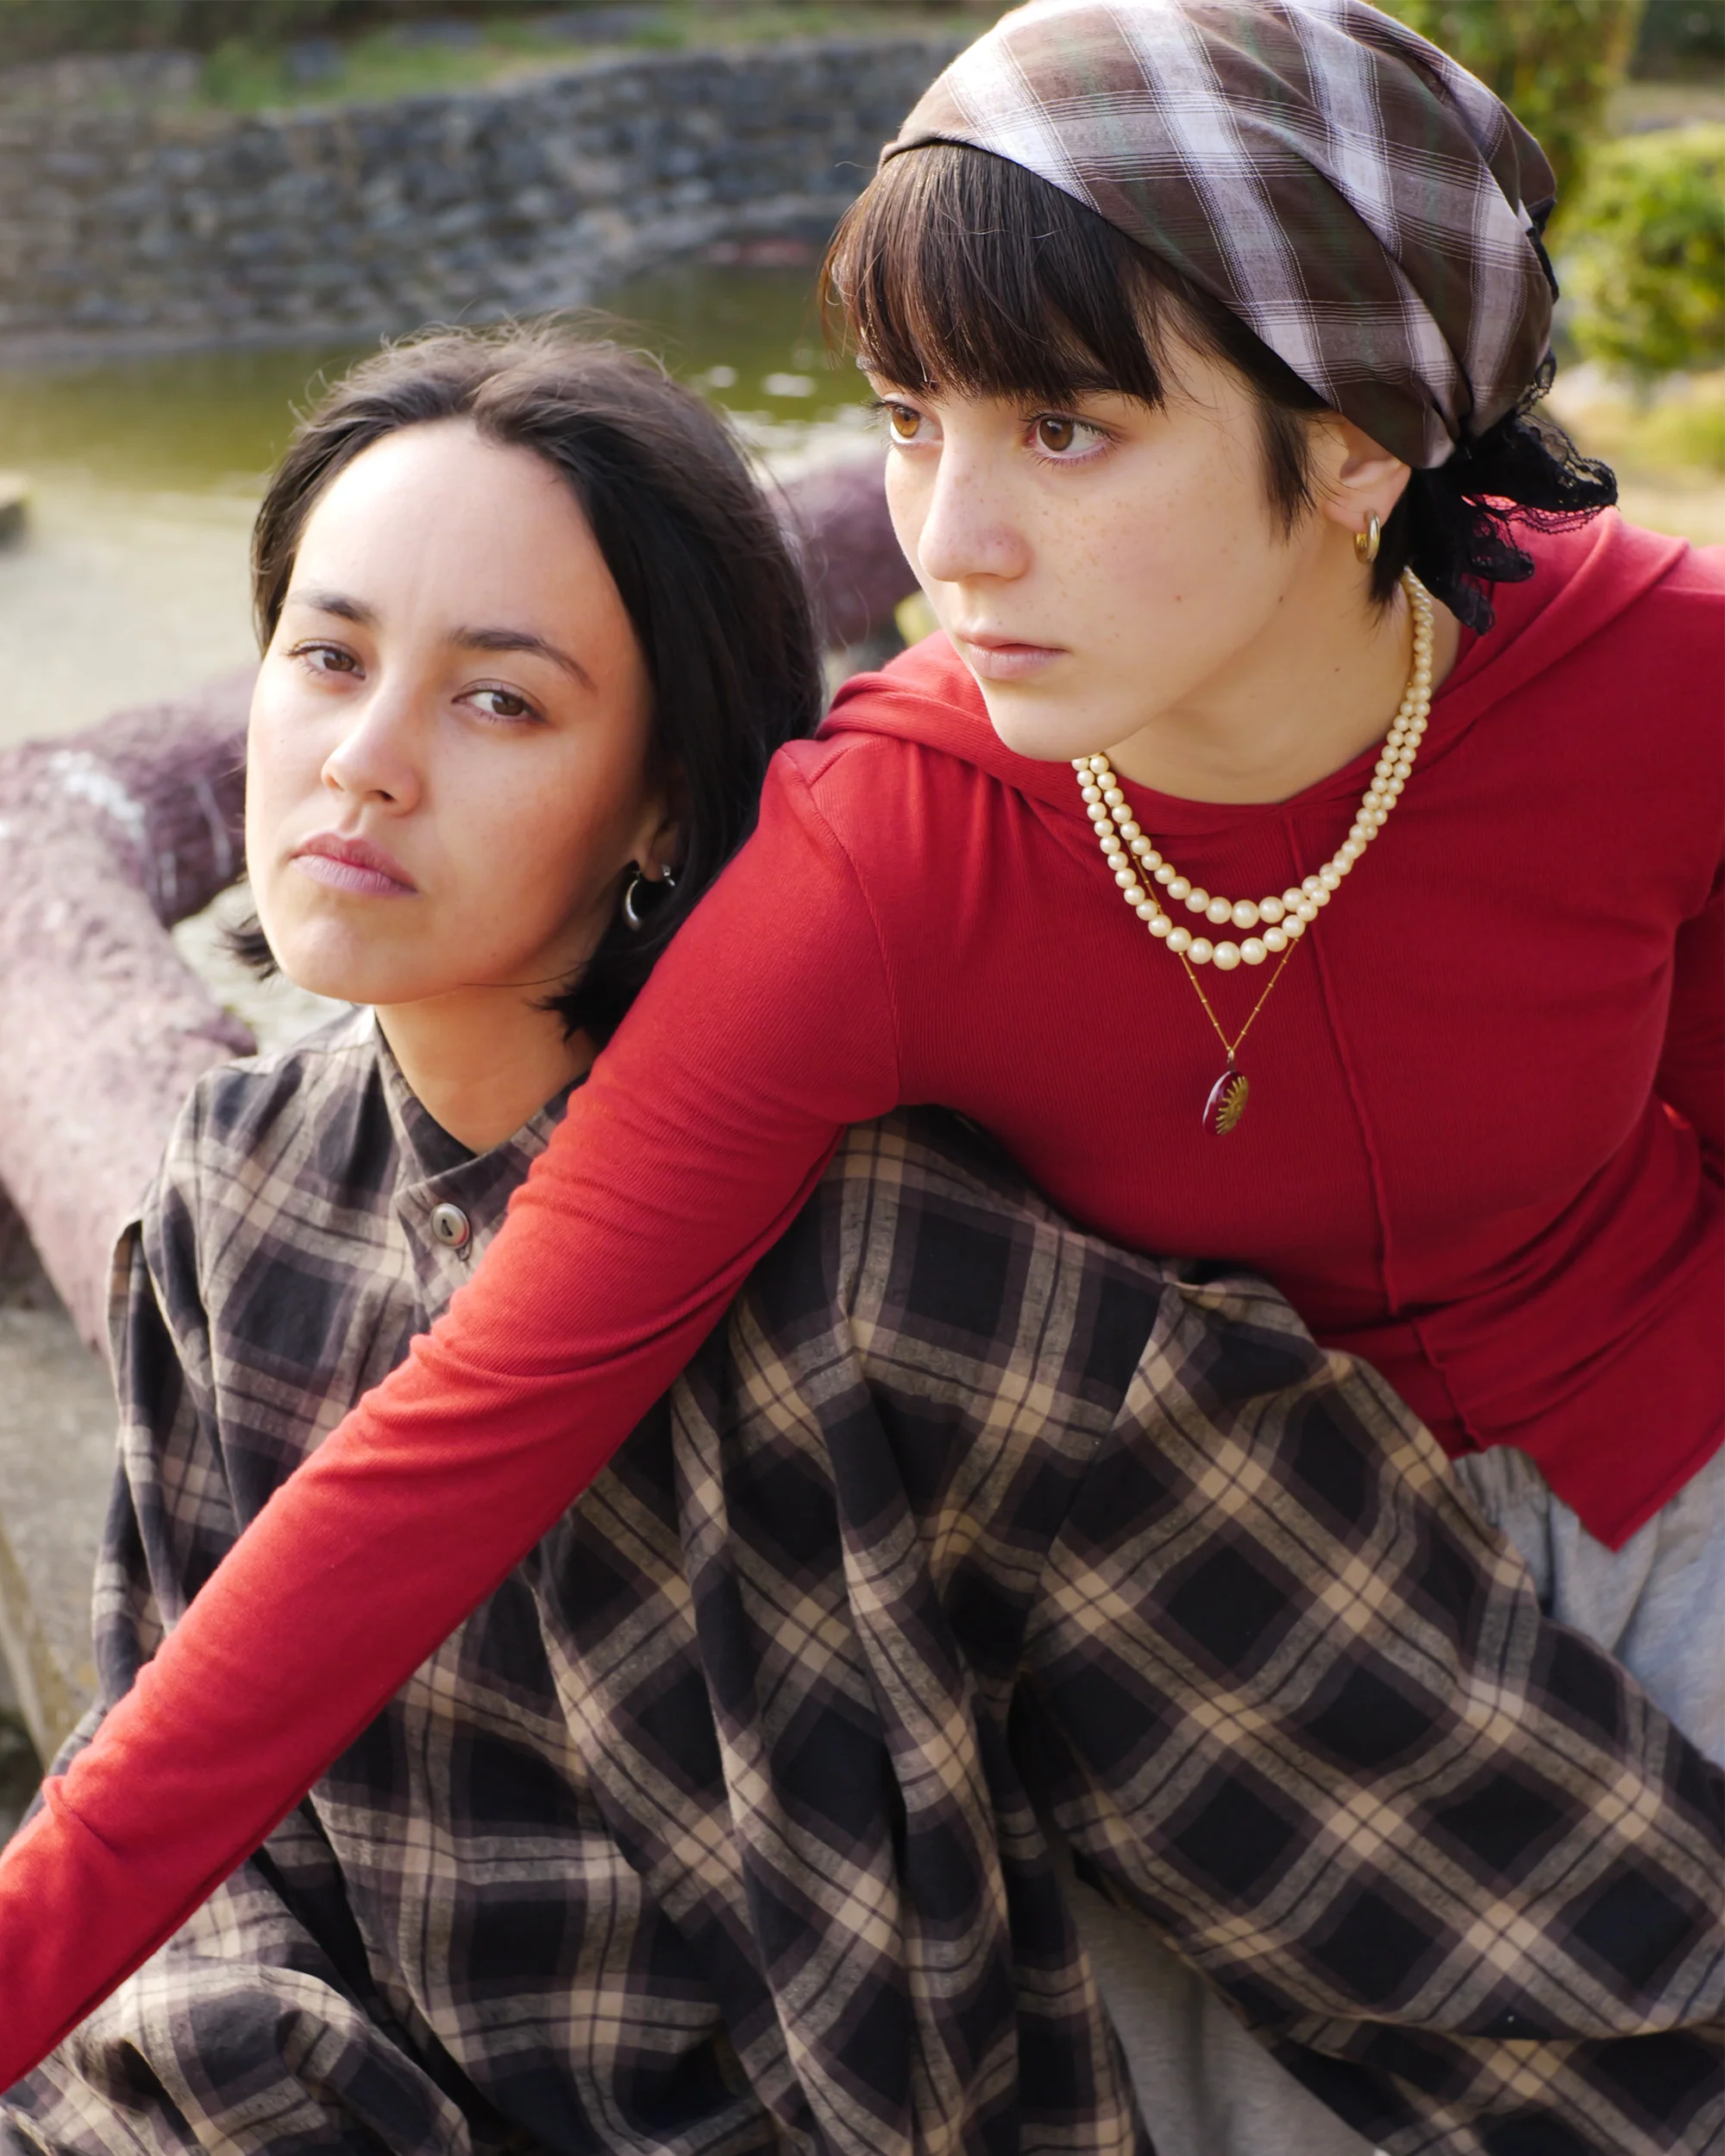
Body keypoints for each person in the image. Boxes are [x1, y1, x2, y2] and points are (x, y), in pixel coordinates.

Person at [0, 0, 1719, 2140]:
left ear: (1359, 438)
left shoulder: (1658, 671)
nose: (950, 537)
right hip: (1243, 1656)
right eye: (910, 419)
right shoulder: (883, 853)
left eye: (1064, 428)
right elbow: (451, 1437)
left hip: (1673, 1499)